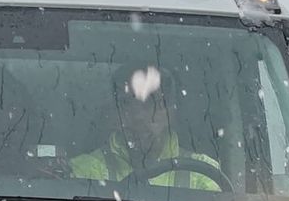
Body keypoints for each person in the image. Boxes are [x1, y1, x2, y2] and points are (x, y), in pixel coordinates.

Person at [71, 76, 225, 191]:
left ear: (170, 113)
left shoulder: (203, 172)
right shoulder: (83, 170)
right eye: (127, 104)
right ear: (114, 115)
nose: (138, 115)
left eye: (150, 103)